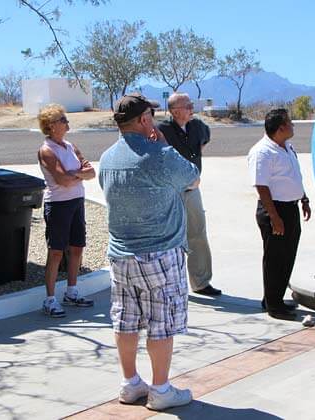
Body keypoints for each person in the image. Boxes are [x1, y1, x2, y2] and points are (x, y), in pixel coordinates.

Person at [99, 94, 199, 411]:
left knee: (126, 321)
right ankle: (160, 389)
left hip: (120, 253)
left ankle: (130, 384)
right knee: (161, 323)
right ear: (144, 119)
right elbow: (193, 179)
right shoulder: (159, 154)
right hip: (160, 252)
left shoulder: (108, 158)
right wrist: (163, 145)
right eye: (152, 115)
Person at [247, 109, 311, 321]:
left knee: (287, 256)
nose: (293, 125)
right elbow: (262, 186)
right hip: (274, 209)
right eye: (290, 122)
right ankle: (273, 306)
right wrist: (274, 217)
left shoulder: (287, 147)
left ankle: (275, 297)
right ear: (281, 127)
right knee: (275, 259)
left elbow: (294, 177)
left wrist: (303, 198)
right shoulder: (262, 152)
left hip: (290, 207)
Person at [36, 104, 96, 318]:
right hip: (58, 205)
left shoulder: (71, 146)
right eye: (63, 120)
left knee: (77, 248)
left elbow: (91, 172)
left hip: (76, 202)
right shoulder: (46, 150)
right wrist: (78, 174)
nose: (67, 123)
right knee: (56, 252)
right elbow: (61, 179)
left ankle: (72, 292)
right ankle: (50, 299)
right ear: (51, 125)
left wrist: (75, 174)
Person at [157, 92, 220, 296]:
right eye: (188, 105)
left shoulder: (198, 126)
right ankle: (168, 283)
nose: (192, 107)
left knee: (198, 233)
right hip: (170, 192)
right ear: (175, 111)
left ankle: (201, 282)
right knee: (169, 238)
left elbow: (205, 139)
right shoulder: (162, 130)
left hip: (192, 190)